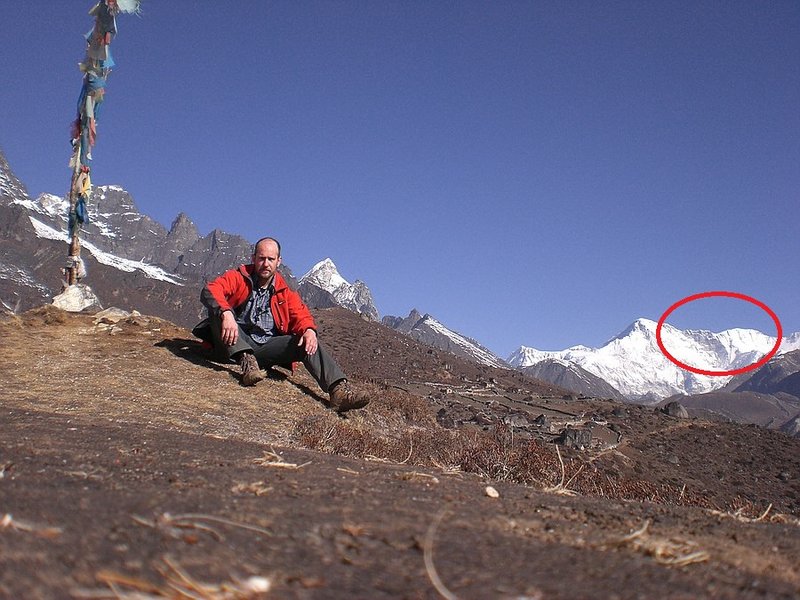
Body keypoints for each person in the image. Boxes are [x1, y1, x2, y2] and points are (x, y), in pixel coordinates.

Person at [195, 236, 369, 413]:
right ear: (253, 258)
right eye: (262, 258)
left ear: (279, 261)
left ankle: (338, 391)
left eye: (271, 259)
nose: (266, 264)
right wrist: (226, 313)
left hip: (263, 348)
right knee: (219, 312)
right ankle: (246, 362)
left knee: (307, 340)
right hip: (229, 343)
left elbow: (301, 315)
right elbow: (211, 289)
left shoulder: (284, 292)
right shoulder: (238, 277)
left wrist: (309, 330)